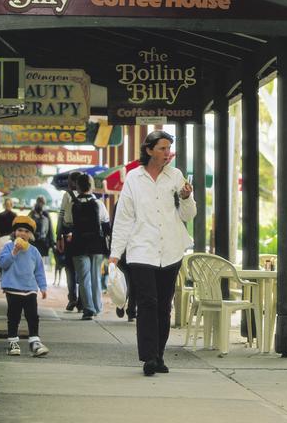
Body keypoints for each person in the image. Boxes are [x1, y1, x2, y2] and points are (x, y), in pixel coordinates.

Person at [109, 130, 196, 376]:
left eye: (169, 149)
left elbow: (188, 215)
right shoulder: (134, 179)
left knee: (163, 306)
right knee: (147, 302)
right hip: (141, 250)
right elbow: (124, 218)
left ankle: (159, 354)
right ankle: (148, 357)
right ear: (149, 150)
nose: (167, 153)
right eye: (162, 148)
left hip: (170, 250)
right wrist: (115, 254)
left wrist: (187, 198)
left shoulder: (176, 176)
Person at [0, 215, 49, 357]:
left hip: (30, 289)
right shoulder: (8, 247)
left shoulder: (34, 251)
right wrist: (14, 252)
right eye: (20, 230)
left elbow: (39, 270)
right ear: (14, 232)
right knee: (13, 316)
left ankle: (35, 341)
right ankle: (13, 342)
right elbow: (2, 263)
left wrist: (43, 287)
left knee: (33, 316)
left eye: (26, 231)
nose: (23, 234)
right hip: (13, 288)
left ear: (30, 234)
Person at [64, 173, 110, 321]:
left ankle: (88, 309)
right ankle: (97, 307)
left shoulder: (72, 204)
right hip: (96, 244)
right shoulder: (99, 204)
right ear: (91, 186)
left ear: (77, 186)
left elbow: (67, 223)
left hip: (78, 244)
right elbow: (106, 224)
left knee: (84, 278)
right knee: (96, 276)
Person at [56, 171, 82, 312]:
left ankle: (72, 298)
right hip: (83, 235)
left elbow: (61, 216)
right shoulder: (90, 197)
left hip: (68, 234)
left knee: (70, 268)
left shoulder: (67, 195)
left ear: (72, 182)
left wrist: (58, 236)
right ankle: (82, 301)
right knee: (83, 269)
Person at [28, 196, 55, 270]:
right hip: (33, 241)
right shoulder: (31, 213)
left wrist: (51, 242)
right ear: (37, 202)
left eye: (42, 203)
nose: (41, 204)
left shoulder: (46, 214)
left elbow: (50, 229)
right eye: (40, 202)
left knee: (41, 263)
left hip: (43, 241)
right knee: (33, 261)